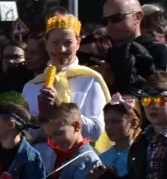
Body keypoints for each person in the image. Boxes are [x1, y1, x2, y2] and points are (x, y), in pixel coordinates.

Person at [24, 13, 107, 146]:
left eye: (68, 43)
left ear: (78, 43)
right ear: (46, 44)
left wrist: (60, 107)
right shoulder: (32, 86)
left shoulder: (90, 79)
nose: (61, 49)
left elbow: (96, 132)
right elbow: (27, 136)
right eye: (55, 43)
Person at [103, 0, 167, 95]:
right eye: (105, 21)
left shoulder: (160, 50)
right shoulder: (105, 54)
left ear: (137, 17)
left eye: (117, 18)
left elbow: (166, 95)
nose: (110, 25)